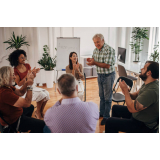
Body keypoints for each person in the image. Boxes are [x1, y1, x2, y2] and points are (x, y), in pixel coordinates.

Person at [105, 61, 159, 133]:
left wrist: (126, 92)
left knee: (109, 122)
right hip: (138, 115)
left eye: (144, 68)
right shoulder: (148, 83)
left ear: (149, 73)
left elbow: (131, 108)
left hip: (143, 125)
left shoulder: (152, 91)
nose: (141, 69)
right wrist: (126, 92)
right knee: (115, 108)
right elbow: (135, 95)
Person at [0, 66, 45, 133]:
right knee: (43, 125)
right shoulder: (4, 92)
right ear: (5, 77)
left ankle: (23, 131)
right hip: (13, 121)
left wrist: (27, 82)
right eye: (12, 75)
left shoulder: (6, 86)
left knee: (31, 107)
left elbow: (20, 92)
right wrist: (30, 86)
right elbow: (27, 103)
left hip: (15, 113)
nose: (15, 77)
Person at [9, 49, 50, 119]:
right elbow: (18, 83)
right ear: (16, 59)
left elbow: (31, 78)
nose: (24, 59)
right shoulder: (15, 70)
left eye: (24, 57)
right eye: (22, 57)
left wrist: (34, 73)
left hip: (30, 84)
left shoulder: (27, 65)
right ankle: (38, 112)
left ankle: (39, 111)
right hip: (21, 87)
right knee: (42, 94)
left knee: (47, 93)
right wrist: (27, 76)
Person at [87, 34, 115, 125]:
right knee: (101, 96)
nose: (96, 44)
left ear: (103, 40)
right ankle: (102, 113)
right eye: (94, 42)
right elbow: (94, 60)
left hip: (108, 76)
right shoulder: (95, 50)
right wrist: (91, 61)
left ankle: (106, 117)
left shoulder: (109, 50)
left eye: (98, 42)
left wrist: (94, 62)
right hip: (100, 75)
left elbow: (107, 65)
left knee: (107, 98)